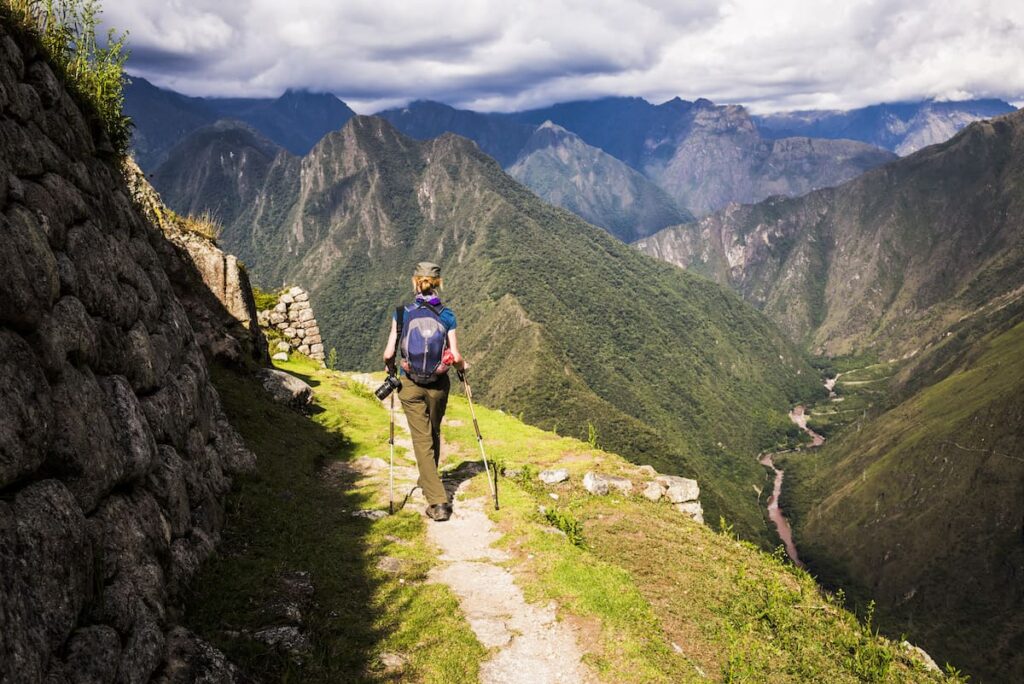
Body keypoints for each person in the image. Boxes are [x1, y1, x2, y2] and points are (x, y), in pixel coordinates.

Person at [382, 261, 465, 522]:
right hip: (438, 386)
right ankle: (432, 483)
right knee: (433, 432)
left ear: (414, 281)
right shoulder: (447, 315)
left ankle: (437, 500)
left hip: (410, 383)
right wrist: (464, 369)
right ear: (438, 283)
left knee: (421, 439)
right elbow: (456, 356)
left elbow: (388, 353)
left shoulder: (402, 313)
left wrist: (390, 370)